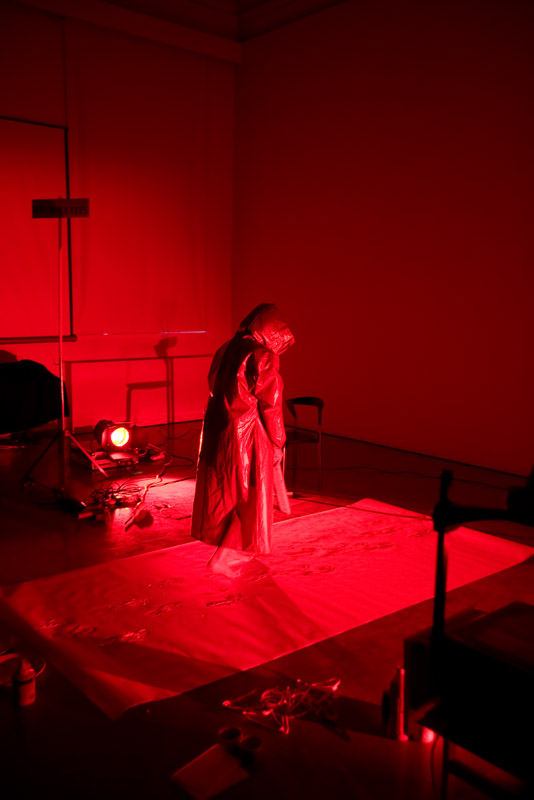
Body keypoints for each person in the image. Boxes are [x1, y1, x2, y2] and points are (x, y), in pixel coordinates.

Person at [191, 303, 294, 574]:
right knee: (250, 497)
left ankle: (235, 551)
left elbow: (213, 383)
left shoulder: (226, 349)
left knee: (230, 494)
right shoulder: (262, 355)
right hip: (250, 433)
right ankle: (224, 557)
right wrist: (278, 441)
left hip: (221, 429)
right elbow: (271, 402)